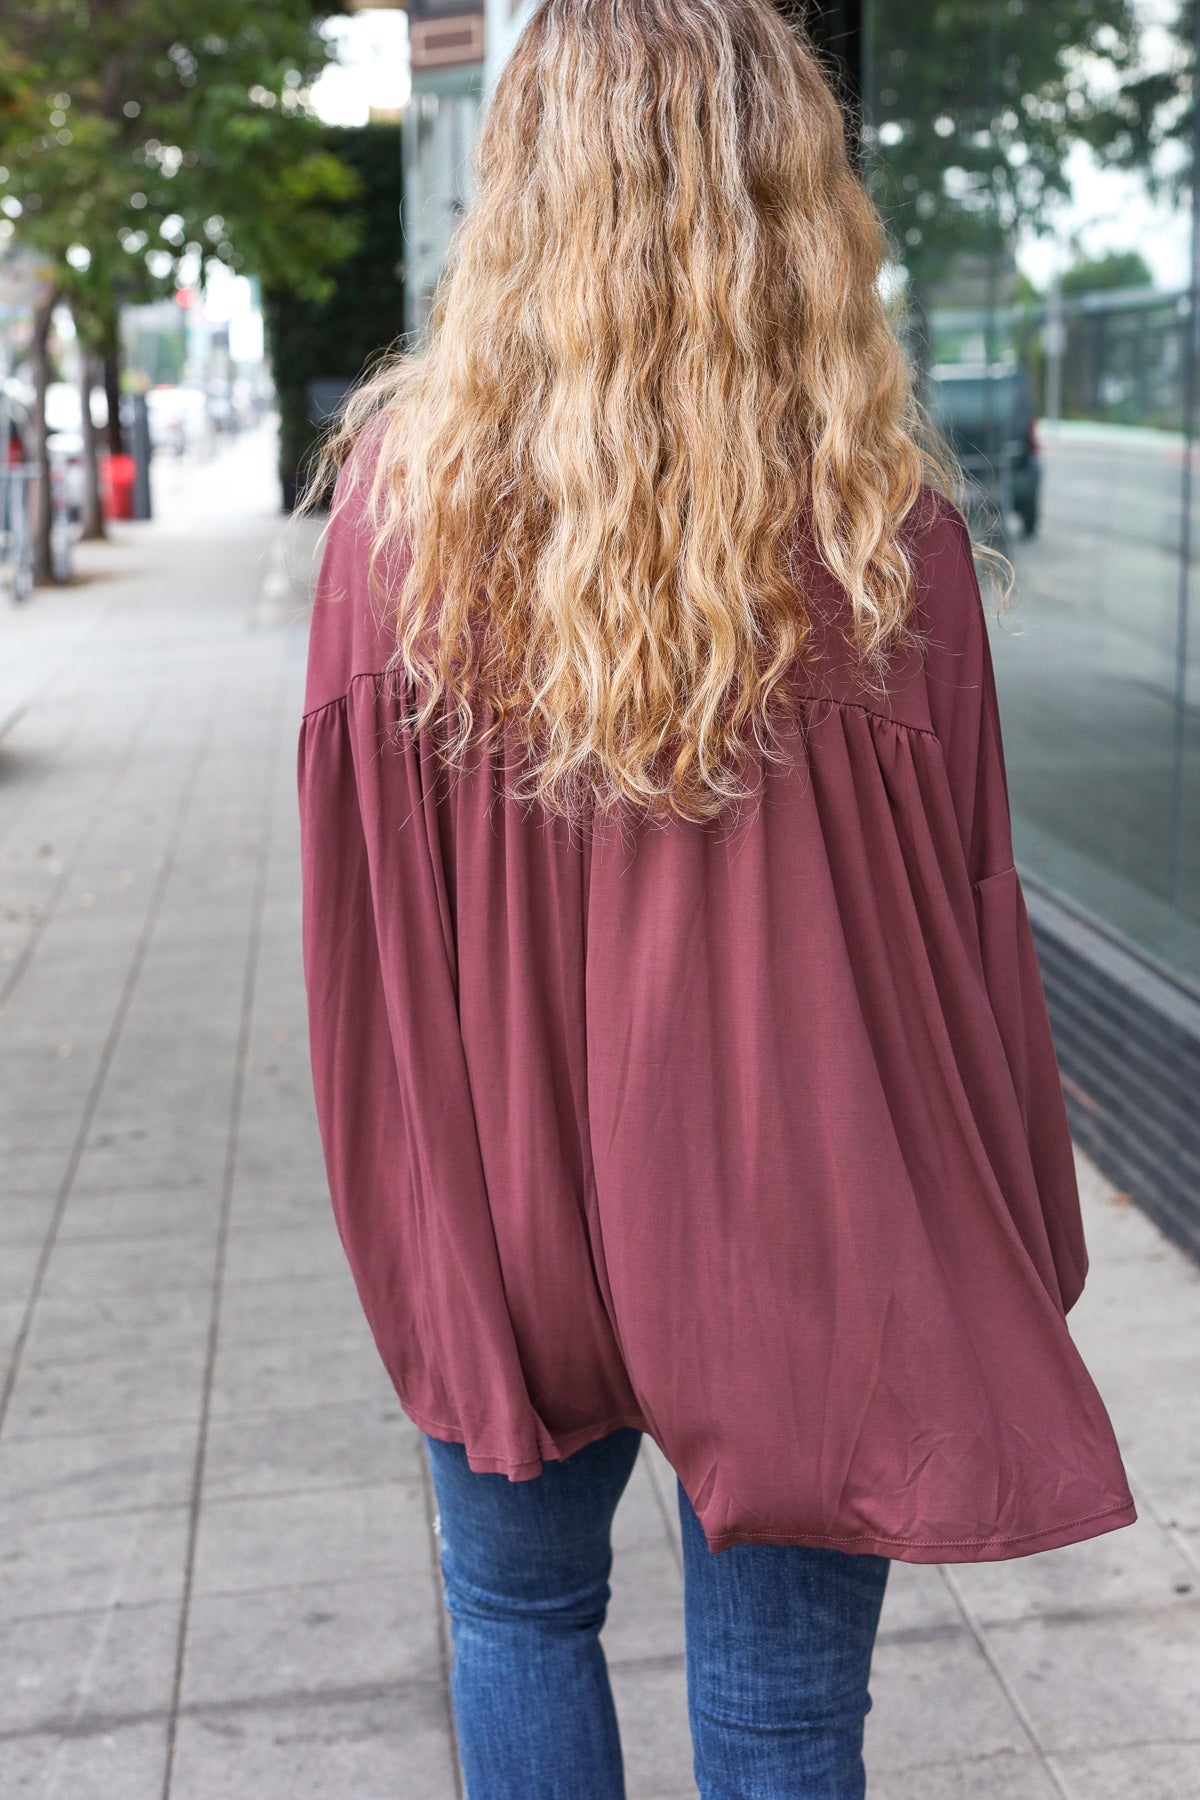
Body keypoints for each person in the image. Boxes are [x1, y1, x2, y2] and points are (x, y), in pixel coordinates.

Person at [296, 3, 1136, 1795]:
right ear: (793, 192)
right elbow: (974, 931)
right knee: (780, 1717)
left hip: (510, 1194)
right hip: (809, 1213)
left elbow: (368, 942)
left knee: (518, 1619)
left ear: (522, 186)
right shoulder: (882, 539)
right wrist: (1006, 1224)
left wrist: (417, 1223)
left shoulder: (395, 526)